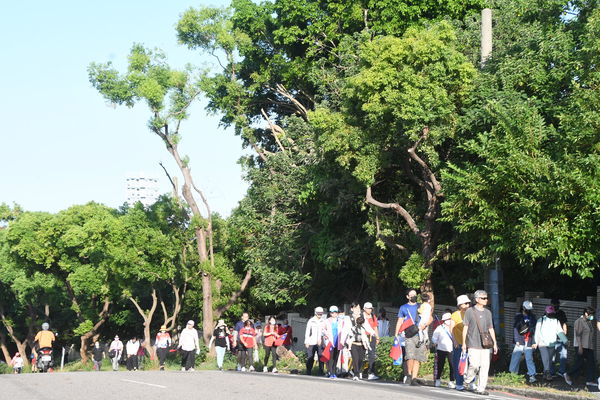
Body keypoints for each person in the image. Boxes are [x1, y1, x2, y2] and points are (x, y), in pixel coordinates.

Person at [462, 289, 498, 396]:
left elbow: (491, 328)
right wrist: (464, 343)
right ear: (477, 299)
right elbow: (465, 327)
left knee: (485, 367)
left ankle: (481, 388)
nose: (486, 300)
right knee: (474, 365)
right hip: (473, 343)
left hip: (485, 344)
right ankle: (468, 380)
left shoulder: (488, 312)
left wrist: (495, 343)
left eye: (486, 298)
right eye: (483, 298)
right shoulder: (469, 311)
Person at [396, 288, 427, 386]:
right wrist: (396, 334)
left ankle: (414, 378)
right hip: (409, 334)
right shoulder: (403, 307)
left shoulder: (421, 306)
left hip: (420, 334)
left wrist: (425, 325)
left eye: (415, 294)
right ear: (407, 297)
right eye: (412, 295)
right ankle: (409, 375)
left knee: (418, 357)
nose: (414, 296)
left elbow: (429, 317)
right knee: (410, 356)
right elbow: (400, 320)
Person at [565, 307, 597, 387]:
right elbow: (578, 335)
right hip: (581, 346)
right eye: (591, 314)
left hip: (589, 346)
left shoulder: (588, 322)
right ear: (586, 313)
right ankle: (568, 374)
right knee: (580, 362)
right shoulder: (579, 321)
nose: (592, 316)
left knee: (591, 363)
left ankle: (589, 380)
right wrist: (580, 347)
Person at [509, 300, 537, 383]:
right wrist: (516, 340)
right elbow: (515, 329)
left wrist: (534, 342)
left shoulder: (533, 317)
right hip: (520, 341)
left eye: (530, 309)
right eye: (527, 308)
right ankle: (512, 374)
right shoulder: (518, 317)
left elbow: (535, 330)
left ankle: (532, 375)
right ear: (523, 307)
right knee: (515, 357)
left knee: (529, 358)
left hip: (529, 340)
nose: (529, 310)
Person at [535, 305, 564, 382]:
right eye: (549, 313)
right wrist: (535, 342)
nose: (550, 314)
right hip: (542, 343)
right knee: (546, 358)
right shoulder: (540, 320)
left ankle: (545, 374)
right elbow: (537, 332)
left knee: (549, 360)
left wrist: (565, 340)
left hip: (552, 343)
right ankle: (548, 373)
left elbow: (560, 331)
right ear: (546, 312)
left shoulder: (556, 321)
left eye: (551, 313)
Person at [451, 294, 470, 390]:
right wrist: (454, 341)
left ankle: (471, 382)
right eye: (465, 303)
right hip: (459, 343)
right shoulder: (455, 315)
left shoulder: (471, 313)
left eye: (468, 303)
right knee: (458, 363)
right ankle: (459, 383)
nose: (467, 305)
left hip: (470, 343)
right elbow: (451, 329)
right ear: (460, 305)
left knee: (472, 363)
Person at [432, 312, 456, 388]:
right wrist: (435, 342)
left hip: (451, 349)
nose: (449, 320)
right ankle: (438, 380)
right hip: (441, 349)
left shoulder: (454, 328)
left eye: (450, 319)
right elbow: (434, 337)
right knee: (440, 365)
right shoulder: (439, 328)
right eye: (448, 319)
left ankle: (452, 381)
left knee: (452, 366)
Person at [550, 298, 568, 380]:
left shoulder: (561, 313)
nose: (555, 306)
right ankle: (551, 372)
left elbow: (564, 323)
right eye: (554, 305)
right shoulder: (548, 313)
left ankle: (561, 371)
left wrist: (565, 333)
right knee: (552, 356)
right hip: (551, 337)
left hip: (560, 337)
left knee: (563, 355)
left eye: (557, 305)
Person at [349, 315, 371, 381]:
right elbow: (349, 337)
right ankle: (356, 374)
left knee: (361, 360)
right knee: (355, 359)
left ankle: (357, 371)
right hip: (354, 345)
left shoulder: (364, 329)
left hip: (362, 345)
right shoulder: (353, 328)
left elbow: (366, 337)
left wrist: (368, 346)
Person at [304, 306, 325, 375]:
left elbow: (325, 331)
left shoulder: (323, 321)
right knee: (310, 357)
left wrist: (322, 339)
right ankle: (308, 371)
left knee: (321, 357)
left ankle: (321, 371)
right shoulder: (311, 321)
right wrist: (306, 341)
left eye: (321, 314)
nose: (320, 315)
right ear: (315, 313)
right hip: (311, 341)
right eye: (318, 313)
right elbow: (307, 331)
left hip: (320, 342)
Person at [323, 305, 342, 378]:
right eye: (332, 312)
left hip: (338, 341)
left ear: (337, 313)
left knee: (336, 357)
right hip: (330, 342)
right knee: (331, 358)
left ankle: (334, 372)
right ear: (330, 313)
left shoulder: (340, 321)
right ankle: (331, 372)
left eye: (335, 312)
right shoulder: (327, 321)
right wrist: (326, 334)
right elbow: (323, 329)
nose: (334, 314)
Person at [363, 302, 380, 380]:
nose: (370, 310)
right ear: (364, 308)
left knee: (372, 354)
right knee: (361, 354)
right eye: (368, 308)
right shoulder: (361, 316)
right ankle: (358, 371)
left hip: (371, 337)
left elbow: (375, 327)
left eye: (371, 308)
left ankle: (371, 372)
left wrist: (377, 337)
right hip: (363, 336)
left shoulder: (373, 316)